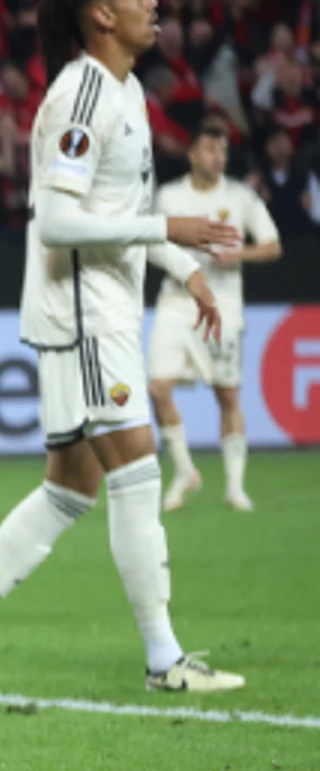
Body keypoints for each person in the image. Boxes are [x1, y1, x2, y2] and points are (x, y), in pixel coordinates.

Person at [0, 0, 246, 697]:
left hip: (104, 303)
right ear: (101, 17)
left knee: (71, 488)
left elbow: (107, 211)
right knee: (136, 470)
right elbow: (58, 220)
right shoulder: (84, 92)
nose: (153, 3)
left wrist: (181, 266)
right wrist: (169, 225)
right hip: (85, 310)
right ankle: (164, 660)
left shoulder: (122, 90)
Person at [147, 123, 281, 514]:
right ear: (192, 154)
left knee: (227, 394)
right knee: (158, 388)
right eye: (209, 149)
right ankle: (186, 471)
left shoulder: (240, 197)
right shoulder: (169, 196)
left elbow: (273, 246)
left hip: (222, 304)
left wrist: (236, 256)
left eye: (221, 150)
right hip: (175, 301)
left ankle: (235, 487)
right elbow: (152, 243)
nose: (217, 157)